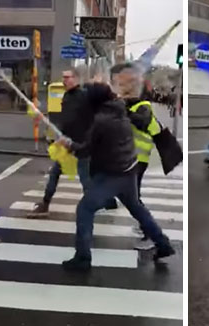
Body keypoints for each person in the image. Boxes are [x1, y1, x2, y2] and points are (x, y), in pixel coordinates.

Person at [60, 69, 175, 273]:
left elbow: (85, 150)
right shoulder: (118, 109)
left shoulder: (101, 121)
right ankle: (163, 244)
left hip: (112, 174)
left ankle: (82, 258)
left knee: (85, 209)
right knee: (136, 207)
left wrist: (68, 144)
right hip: (129, 169)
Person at [28, 69, 118, 218]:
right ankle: (45, 203)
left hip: (82, 145)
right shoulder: (67, 96)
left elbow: (99, 109)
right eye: (63, 77)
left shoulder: (85, 95)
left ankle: (97, 204)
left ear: (76, 78)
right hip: (67, 144)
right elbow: (67, 119)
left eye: (67, 77)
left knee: (86, 179)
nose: (64, 80)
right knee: (55, 173)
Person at [113, 62, 163, 250]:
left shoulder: (143, 106)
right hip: (130, 158)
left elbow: (141, 122)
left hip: (138, 160)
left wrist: (124, 110)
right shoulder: (132, 104)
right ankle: (146, 228)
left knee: (134, 200)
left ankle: (151, 235)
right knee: (132, 198)